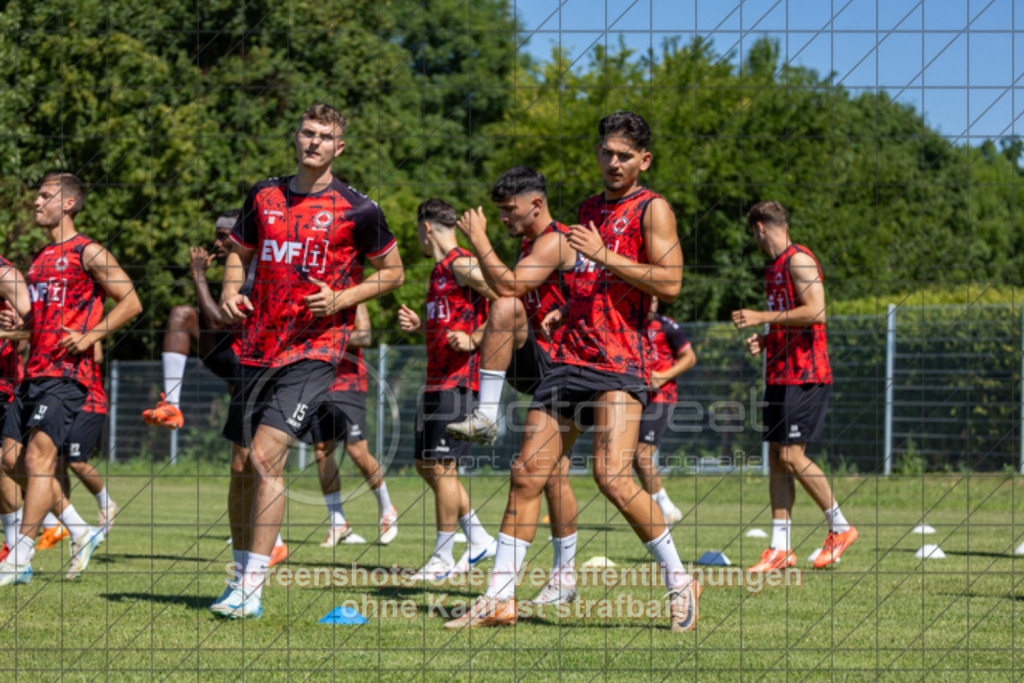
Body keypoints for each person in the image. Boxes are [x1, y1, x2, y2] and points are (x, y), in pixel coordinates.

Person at [445, 112, 700, 632]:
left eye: (624, 155)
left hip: (619, 363)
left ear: (644, 161)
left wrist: (605, 256)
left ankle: (680, 581)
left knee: (612, 477)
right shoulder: (587, 210)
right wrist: (570, 307)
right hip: (569, 361)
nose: (613, 162)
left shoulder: (653, 209)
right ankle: (498, 599)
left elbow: (671, 284)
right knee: (526, 474)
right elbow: (582, 280)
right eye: (607, 152)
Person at [211, 103, 404, 619]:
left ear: (339, 147)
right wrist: (230, 290)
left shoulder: (359, 209)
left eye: (325, 136)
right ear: (296, 138)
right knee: (240, 465)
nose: (314, 142)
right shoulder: (263, 195)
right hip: (257, 346)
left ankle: (253, 589)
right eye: (307, 132)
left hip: (315, 350)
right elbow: (239, 253)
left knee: (264, 457)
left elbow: (393, 272)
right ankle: (238, 576)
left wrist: (342, 299)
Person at [445, 166, 581, 605]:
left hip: (571, 369)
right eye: (500, 210)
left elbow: (509, 286)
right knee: (505, 308)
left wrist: (479, 240)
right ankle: (486, 414)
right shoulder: (529, 244)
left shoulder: (556, 240)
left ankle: (564, 577)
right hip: (540, 362)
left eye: (509, 209)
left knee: (559, 473)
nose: (504, 217)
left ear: (536, 204)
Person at [0, 172, 142, 585]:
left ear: (69, 203)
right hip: (33, 373)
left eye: (45, 196)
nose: (36, 202)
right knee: (8, 461)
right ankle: (81, 531)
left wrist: (90, 336)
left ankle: (19, 557)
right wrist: (18, 328)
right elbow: (39, 324)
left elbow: (131, 301)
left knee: (38, 459)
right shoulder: (41, 258)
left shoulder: (88, 251)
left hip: (67, 374)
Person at [731, 200, 856, 572]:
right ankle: (780, 548)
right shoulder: (773, 268)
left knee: (791, 456)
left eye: (753, 234)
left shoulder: (798, 260)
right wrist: (767, 339)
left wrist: (761, 316)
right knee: (776, 458)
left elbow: (816, 311)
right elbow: (791, 319)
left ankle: (840, 527)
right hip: (780, 374)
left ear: (760, 228)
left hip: (806, 375)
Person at [397, 198, 499, 581]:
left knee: (442, 468)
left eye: (417, 232)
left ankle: (441, 560)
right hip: (436, 381)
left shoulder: (461, 263)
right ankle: (479, 538)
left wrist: (476, 337)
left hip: (459, 383)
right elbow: (448, 322)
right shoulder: (438, 271)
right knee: (426, 465)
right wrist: (420, 325)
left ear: (426, 227)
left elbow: (508, 300)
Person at [309, 303, 398, 547]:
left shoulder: (352, 296)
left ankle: (387, 510)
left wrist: (327, 339)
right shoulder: (307, 294)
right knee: (321, 451)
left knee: (357, 451)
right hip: (316, 383)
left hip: (348, 384)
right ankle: (338, 523)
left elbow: (364, 336)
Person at [143, 209, 240, 429]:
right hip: (232, 355)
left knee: (250, 445)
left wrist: (198, 275)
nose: (216, 243)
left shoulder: (253, 268)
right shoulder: (231, 270)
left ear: (239, 237)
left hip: (259, 361)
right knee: (182, 315)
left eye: (223, 236)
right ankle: (171, 406)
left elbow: (216, 322)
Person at [37, 349, 119, 551]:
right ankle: (56, 524)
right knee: (55, 463)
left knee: (76, 462)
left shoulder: (84, 327)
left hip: (89, 403)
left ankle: (107, 505)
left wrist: (78, 342)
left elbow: (97, 356)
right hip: (62, 401)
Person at [634, 300, 696, 525]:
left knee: (641, 455)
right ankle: (662, 507)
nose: (650, 303)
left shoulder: (667, 326)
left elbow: (690, 357)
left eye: (654, 299)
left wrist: (663, 376)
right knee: (633, 458)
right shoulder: (629, 325)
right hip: (635, 397)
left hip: (661, 398)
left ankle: (663, 509)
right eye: (646, 297)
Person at [0, 255, 29, 562]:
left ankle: (71, 523)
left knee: (7, 464)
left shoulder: (5, 274)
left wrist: (14, 330)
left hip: (5, 389)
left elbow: (31, 332)